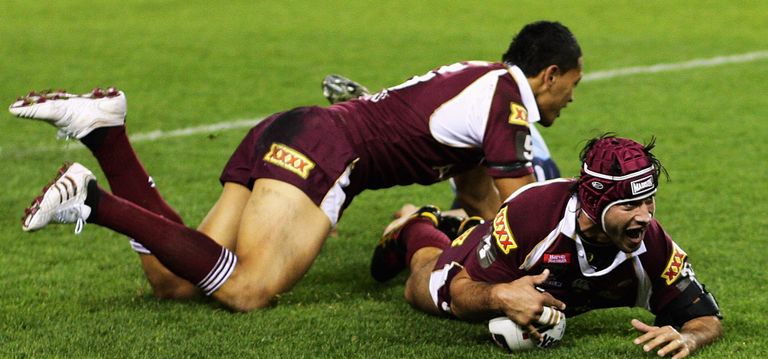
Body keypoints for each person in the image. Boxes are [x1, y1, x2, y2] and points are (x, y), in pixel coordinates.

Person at [10, 21, 582, 311]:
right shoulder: (508, 103)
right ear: (549, 75)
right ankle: (93, 200)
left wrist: (471, 238)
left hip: (292, 130)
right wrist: (570, 264)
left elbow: (482, 197)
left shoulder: (481, 80)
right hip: (326, 154)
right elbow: (527, 207)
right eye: (570, 88)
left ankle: (109, 137)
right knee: (248, 288)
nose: (569, 101)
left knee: (172, 282)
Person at [370, 135, 722, 359]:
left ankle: (459, 223)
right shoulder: (532, 215)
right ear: (594, 204)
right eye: (630, 206)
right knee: (420, 286)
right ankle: (416, 226)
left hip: (519, 261)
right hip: (498, 255)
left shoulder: (652, 245)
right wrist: (500, 297)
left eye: (649, 202)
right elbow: (461, 293)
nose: (645, 217)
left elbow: (706, 317)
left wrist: (687, 338)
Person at [323, 74, 561, 182]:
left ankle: (416, 220)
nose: (570, 98)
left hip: (479, 147)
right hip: (496, 155)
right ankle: (417, 221)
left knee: (472, 217)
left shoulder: (504, 103)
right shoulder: (507, 113)